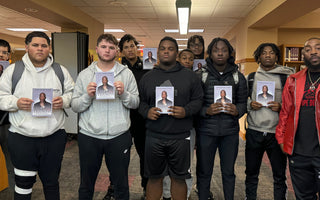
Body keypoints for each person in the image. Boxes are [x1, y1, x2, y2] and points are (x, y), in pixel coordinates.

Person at [0, 31, 74, 200]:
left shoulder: (60, 71)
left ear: (49, 48)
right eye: (35, 45)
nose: (40, 49)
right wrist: (16, 103)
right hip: (22, 138)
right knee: (23, 184)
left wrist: (64, 100)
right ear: (27, 47)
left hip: (53, 137)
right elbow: (1, 97)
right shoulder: (13, 71)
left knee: (51, 182)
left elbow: (73, 93)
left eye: (44, 45)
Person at [71, 33, 139, 200]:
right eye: (103, 47)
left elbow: (135, 103)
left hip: (119, 136)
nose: (107, 51)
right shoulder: (85, 74)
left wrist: (124, 94)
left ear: (116, 51)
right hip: (89, 135)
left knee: (121, 184)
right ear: (97, 49)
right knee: (86, 183)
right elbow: (75, 106)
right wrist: (87, 95)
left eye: (111, 47)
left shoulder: (126, 74)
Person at [139, 36, 203, 200]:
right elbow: (140, 103)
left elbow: (198, 101)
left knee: (179, 178)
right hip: (154, 135)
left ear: (177, 53)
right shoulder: (147, 77)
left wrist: (186, 111)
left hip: (181, 136)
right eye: (163, 48)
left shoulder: (190, 77)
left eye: (170, 48)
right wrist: (147, 112)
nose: (166, 51)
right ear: (158, 52)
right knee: (154, 178)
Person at [196, 37, 247, 200]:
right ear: (209, 53)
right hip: (206, 131)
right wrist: (206, 110)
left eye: (224, 50)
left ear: (230, 53)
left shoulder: (238, 77)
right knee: (204, 171)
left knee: (229, 172)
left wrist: (237, 110)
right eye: (216, 50)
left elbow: (243, 103)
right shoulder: (199, 76)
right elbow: (194, 104)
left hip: (230, 133)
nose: (220, 53)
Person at [246, 43, 294, 200]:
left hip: (277, 133)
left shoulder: (286, 76)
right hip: (254, 131)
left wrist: (281, 107)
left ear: (276, 57)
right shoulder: (251, 77)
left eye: (271, 53)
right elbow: (241, 100)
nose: (267, 55)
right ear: (258, 56)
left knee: (279, 174)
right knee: (251, 172)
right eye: (264, 53)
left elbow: (295, 103)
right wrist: (249, 104)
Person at [276, 37, 320, 200]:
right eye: (308, 49)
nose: (313, 52)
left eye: (318, 48)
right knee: (303, 196)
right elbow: (285, 112)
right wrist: (281, 138)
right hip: (298, 152)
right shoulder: (293, 80)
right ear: (303, 55)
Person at [162, 48, 197, 200]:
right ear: (178, 59)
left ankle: (186, 193)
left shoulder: (195, 78)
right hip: (167, 127)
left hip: (188, 127)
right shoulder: (168, 77)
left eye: (191, 59)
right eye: (184, 58)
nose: (187, 61)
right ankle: (167, 194)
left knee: (186, 163)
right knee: (166, 162)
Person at [118, 33, 148, 200]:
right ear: (121, 51)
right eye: (126, 47)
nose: (130, 50)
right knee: (120, 157)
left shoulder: (147, 68)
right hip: (123, 118)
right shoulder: (117, 70)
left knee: (144, 155)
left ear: (138, 48)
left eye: (133, 46)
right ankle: (115, 186)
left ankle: (145, 186)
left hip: (142, 119)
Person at [0, 39, 13, 190]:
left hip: (8, 123)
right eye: (0, 52)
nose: (2, 56)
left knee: (12, 165)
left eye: (5, 52)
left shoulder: (12, 73)